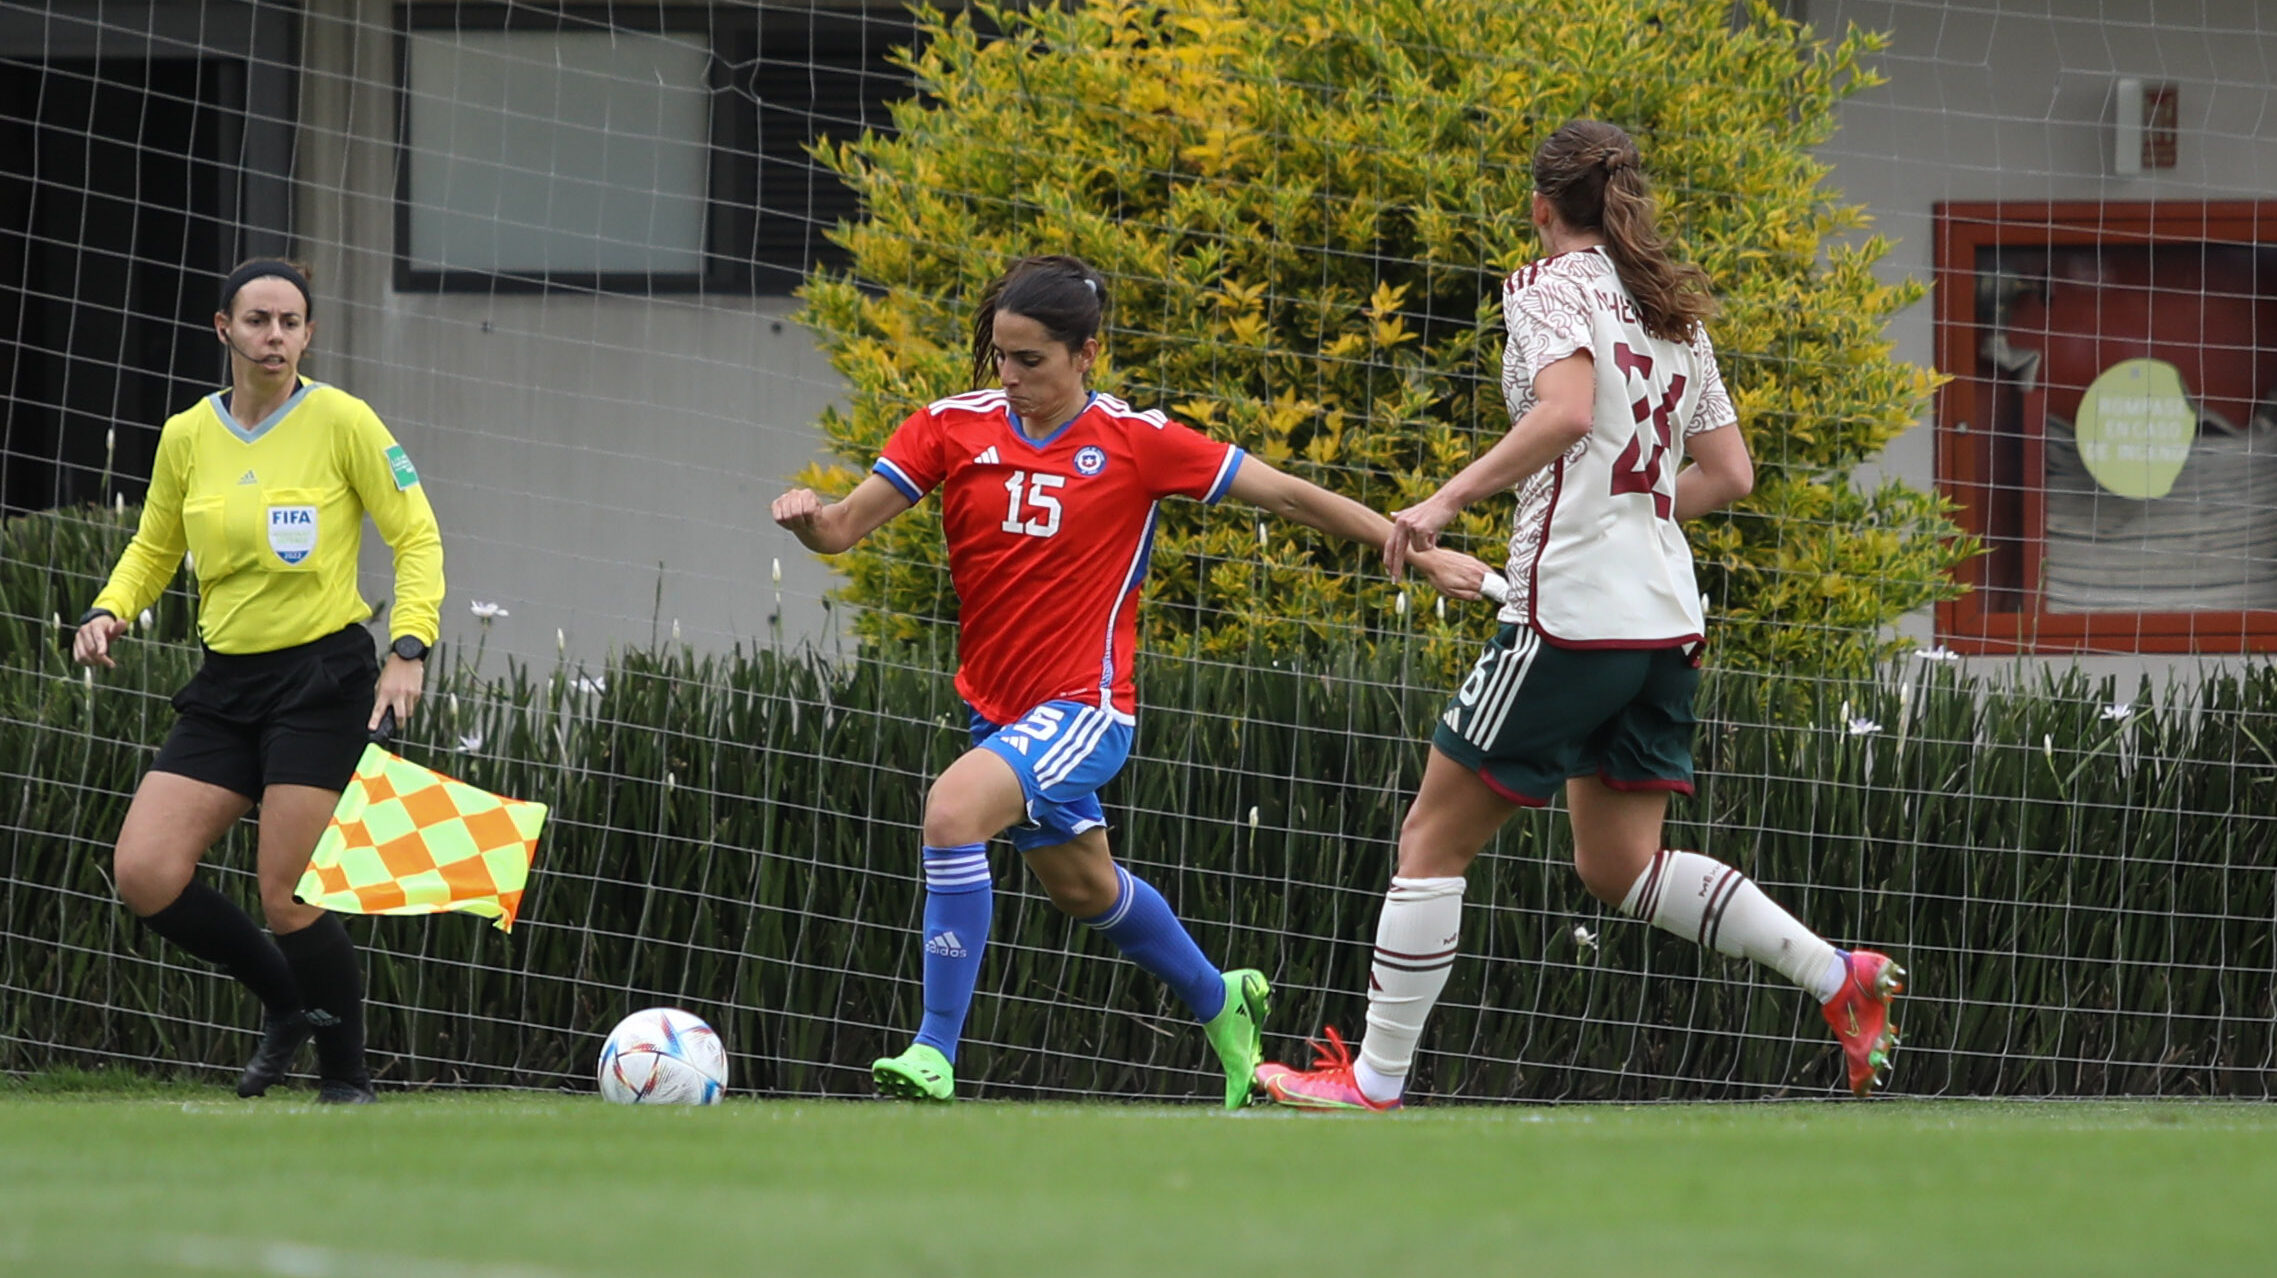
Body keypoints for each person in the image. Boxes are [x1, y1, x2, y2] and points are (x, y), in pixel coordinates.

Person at [1255, 121, 1905, 1111]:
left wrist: (1441, 504)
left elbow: (1562, 412)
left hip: (1571, 615)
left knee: (1431, 837)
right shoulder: (1673, 312)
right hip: (1662, 620)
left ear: (1541, 206)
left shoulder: (1546, 287)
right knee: (1619, 866)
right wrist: (1631, 510)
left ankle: (1374, 1083)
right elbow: (1731, 474)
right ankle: (1837, 979)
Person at [773, 254, 1492, 1105]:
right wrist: (808, 523)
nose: (1010, 377)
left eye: (1031, 359)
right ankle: (1222, 998)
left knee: (950, 813)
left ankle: (932, 1053)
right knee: (1085, 890)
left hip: (1085, 707)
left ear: (1086, 354)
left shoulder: (1135, 442)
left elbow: (1291, 497)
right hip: (993, 711)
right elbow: (844, 530)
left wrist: (1421, 549)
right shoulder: (947, 427)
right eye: (1001, 356)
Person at [73, 258, 444, 1103]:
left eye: (289, 322)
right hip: (226, 684)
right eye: (256, 321)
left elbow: (416, 537)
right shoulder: (187, 434)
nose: (272, 337)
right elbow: (155, 545)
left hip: (320, 678)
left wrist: (408, 648)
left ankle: (346, 1084)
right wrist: (110, 608)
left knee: (288, 892)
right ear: (223, 330)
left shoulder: (344, 422)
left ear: (308, 335)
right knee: (145, 872)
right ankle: (283, 1003)